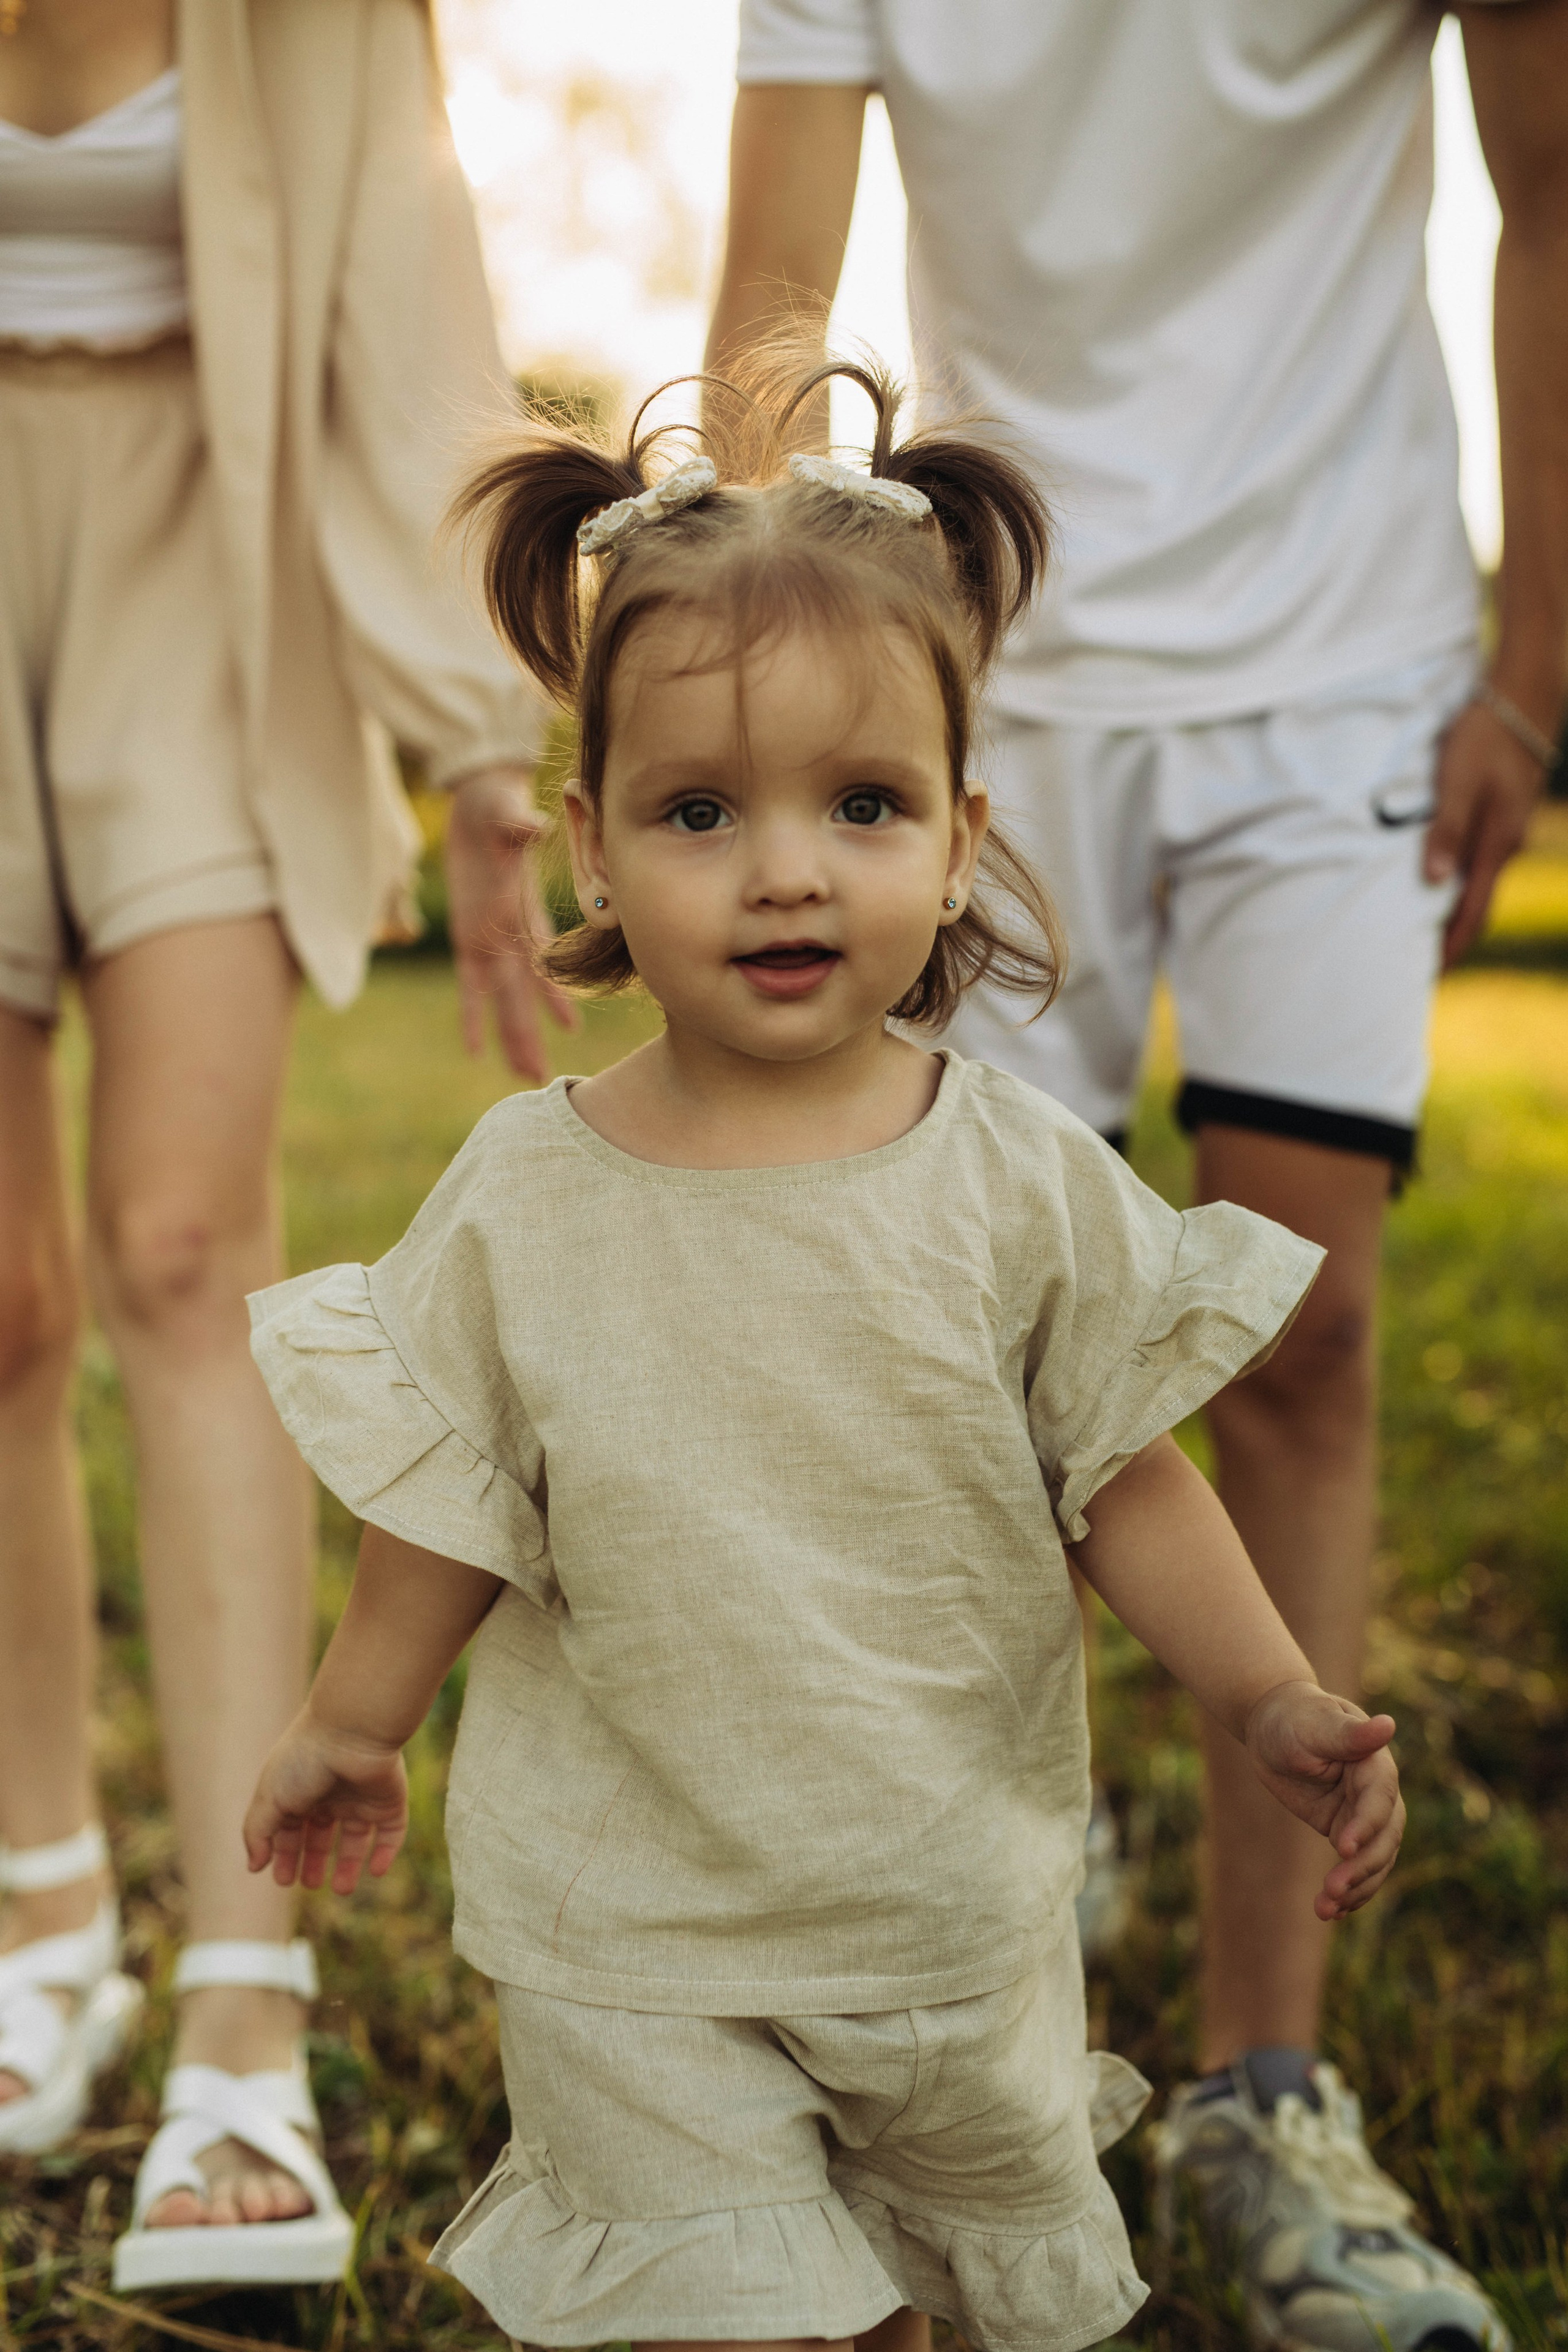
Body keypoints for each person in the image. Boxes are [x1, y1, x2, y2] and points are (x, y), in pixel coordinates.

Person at [239, 360, 1406, 2352]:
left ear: (955, 841)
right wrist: (358, 1718)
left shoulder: (1018, 1179)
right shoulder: (530, 1190)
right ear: (594, 851)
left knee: (907, 2315)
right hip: (639, 1933)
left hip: (943, 1910)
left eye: (859, 806)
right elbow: (453, 1500)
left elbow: (1126, 1478)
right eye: (704, 812)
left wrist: (1271, 1694)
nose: (787, 868)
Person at [705, 7, 1567, 2345]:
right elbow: (778, 302)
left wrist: (1534, 657)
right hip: (987, 683)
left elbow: (1551, 173)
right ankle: (970, 2032)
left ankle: (1266, 2096)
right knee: (968, 1349)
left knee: (1304, 1336)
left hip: (1344, 655)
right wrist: (787, 715)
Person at [0, 0, 568, 2294]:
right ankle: (41, 1905)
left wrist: (485, 759)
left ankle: (248, 1989)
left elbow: (419, 313)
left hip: (201, 563)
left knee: (175, 1246)